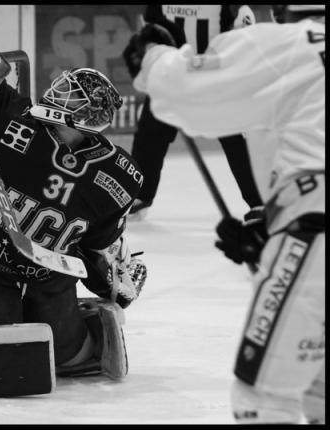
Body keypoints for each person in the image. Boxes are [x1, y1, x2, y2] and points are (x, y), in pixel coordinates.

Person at [130, 4, 325, 424]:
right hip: (306, 221)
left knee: (266, 399)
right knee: (320, 391)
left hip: (316, 232)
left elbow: (185, 91)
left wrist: (150, 55)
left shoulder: (293, 43)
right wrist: (275, 228)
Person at [0, 65, 147, 377]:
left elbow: (94, 246)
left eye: (70, 95)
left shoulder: (120, 178)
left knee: (68, 357)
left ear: (84, 116)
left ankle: (87, 330)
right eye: (62, 86)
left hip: (50, 278)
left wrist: (110, 274)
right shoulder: (12, 116)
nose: (56, 92)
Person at [123, 5, 264, 220]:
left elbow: (245, 40)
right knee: (149, 135)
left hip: (217, 80)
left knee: (237, 138)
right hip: (172, 76)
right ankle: (139, 195)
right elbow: (150, 29)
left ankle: (259, 202)